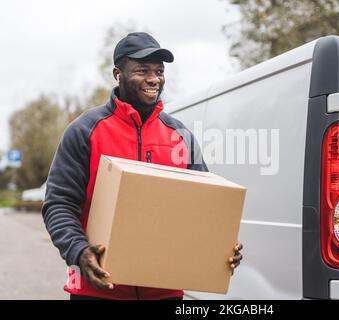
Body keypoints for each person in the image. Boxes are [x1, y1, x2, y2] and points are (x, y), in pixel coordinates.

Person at [42, 32, 243, 300]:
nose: (154, 79)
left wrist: (220, 245)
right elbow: (59, 203)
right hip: (99, 290)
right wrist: (78, 251)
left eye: (159, 71)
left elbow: (202, 209)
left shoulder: (180, 135)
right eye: (142, 70)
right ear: (118, 74)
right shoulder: (85, 131)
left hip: (165, 293)